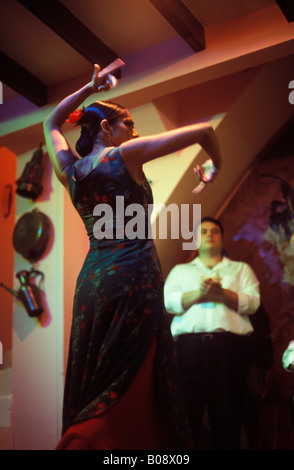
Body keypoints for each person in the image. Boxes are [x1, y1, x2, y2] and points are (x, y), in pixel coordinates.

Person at [43, 63, 221, 450]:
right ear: (107, 129)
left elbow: (50, 123)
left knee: (98, 372)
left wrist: (87, 88)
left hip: (92, 282)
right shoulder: (123, 156)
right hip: (133, 275)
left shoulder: (69, 169)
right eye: (128, 124)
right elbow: (206, 131)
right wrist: (215, 166)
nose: (135, 132)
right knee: (132, 376)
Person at [164, 217, 260, 450]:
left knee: (228, 416)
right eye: (204, 231)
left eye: (214, 231)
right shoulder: (180, 271)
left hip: (229, 350)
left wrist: (222, 294)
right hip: (187, 350)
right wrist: (199, 293)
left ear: (221, 237)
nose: (209, 234)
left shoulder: (241, 270)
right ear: (197, 239)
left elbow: (253, 303)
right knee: (187, 414)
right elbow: (168, 302)